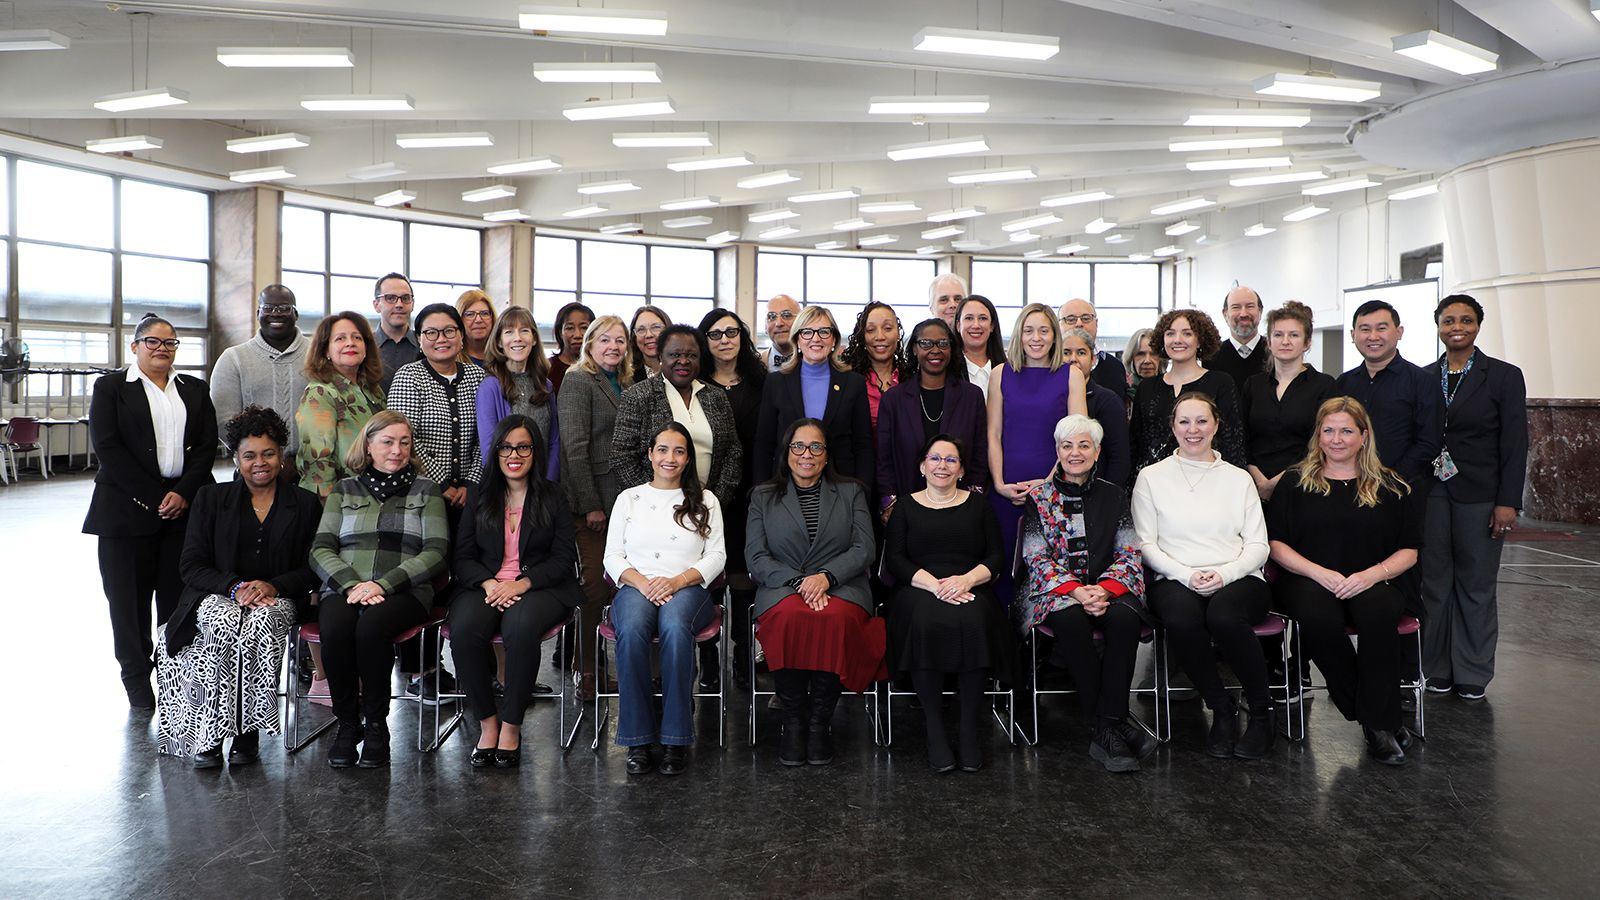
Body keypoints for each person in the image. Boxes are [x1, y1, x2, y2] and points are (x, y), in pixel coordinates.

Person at [156, 407, 321, 767]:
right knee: (224, 621)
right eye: (249, 455)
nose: (259, 463)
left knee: (260, 623)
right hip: (218, 593)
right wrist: (234, 587)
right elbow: (191, 565)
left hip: (278, 596)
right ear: (235, 458)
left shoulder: (305, 503)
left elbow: (313, 566)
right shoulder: (210, 499)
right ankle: (211, 736)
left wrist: (273, 586)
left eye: (268, 453)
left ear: (281, 455)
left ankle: (248, 733)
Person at [1268, 397, 1422, 765]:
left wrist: (1369, 576)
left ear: (1364, 436)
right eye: (1329, 430)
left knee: (1378, 614)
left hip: (1373, 579)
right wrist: (1319, 573)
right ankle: (1378, 722)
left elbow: (1410, 551)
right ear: (1318, 436)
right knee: (1318, 616)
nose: (1337, 439)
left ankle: (1374, 723)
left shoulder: (1392, 486)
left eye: (1347, 431)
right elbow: (1275, 544)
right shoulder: (1294, 482)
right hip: (1307, 578)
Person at [85, 313, 218, 709]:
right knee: (128, 603)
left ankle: (176, 679)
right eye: (153, 341)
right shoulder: (111, 388)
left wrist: (182, 493)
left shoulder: (194, 388)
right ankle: (138, 683)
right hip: (124, 512)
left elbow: (207, 447)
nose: (162, 348)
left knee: (179, 602)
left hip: (184, 510)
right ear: (135, 346)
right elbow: (108, 448)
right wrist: (154, 497)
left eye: (170, 342)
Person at [1132, 392, 1273, 760]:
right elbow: (1146, 545)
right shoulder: (1151, 477)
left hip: (1239, 577)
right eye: (1184, 422)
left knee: (1224, 616)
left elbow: (1259, 545)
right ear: (1172, 427)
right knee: (1181, 618)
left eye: (1201, 421)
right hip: (1175, 577)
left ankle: (1261, 714)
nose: (1193, 430)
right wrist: (1187, 575)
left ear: (1216, 426)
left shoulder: (1238, 478)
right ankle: (1221, 707)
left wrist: (1224, 574)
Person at [310, 410, 449, 769]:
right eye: (387, 442)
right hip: (345, 588)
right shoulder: (344, 490)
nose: (397, 450)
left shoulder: (426, 490)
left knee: (371, 628)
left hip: (405, 590)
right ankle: (346, 723)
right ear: (368, 446)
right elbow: (321, 548)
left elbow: (435, 552)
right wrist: (353, 585)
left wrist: (382, 585)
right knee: (337, 628)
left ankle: (375, 725)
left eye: (404, 442)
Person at [1014, 415, 1153, 772]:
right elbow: (1035, 555)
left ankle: (1106, 727)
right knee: (1070, 620)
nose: (1075, 453)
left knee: (1124, 619)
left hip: (1111, 587)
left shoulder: (1114, 494)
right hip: (1055, 589)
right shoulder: (1039, 498)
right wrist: (1077, 593)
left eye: (1083, 445)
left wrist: (1103, 591)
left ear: (1097, 451)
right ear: (1057, 451)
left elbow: (1129, 552)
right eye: (1067, 445)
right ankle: (1111, 725)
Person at [746, 419, 885, 765]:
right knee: (789, 618)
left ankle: (820, 723)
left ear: (826, 455)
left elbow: (864, 548)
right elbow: (756, 555)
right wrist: (799, 582)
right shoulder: (762, 496)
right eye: (798, 446)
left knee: (836, 618)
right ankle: (794, 722)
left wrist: (826, 577)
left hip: (843, 586)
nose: (806, 454)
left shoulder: (851, 491)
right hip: (783, 587)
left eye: (816, 447)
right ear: (787, 452)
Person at [449, 414, 583, 768]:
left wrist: (521, 583)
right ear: (496, 452)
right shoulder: (479, 495)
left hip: (540, 587)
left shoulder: (553, 496)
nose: (514, 454)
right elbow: (461, 557)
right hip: (486, 585)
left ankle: (511, 725)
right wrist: (491, 583)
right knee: (463, 631)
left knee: (520, 628)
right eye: (507, 447)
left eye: (523, 447)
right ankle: (487, 723)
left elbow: (563, 558)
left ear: (535, 452)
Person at [1420, 293, 1528, 702]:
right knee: (1434, 585)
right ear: (1438, 326)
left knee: (1476, 583)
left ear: (1478, 325)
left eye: (1465, 320)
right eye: (1449, 321)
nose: (1457, 327)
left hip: (1482, 493)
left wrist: (1508, 501)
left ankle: (1472, 671)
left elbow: (1515, 443)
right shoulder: (1427, 376)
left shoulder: (1502, 376)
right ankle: (1437, 667)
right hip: (1433, 491)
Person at [885, 434, 1014, 773]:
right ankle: (935, 731)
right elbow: (896, 560)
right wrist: (935, 585)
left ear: (961, 470)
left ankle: (969, 730)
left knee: (973, 620)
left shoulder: (978, 504)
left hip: (970, 584)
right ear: (922, 467)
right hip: (918, 587)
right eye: (935, 459)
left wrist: (965, 580)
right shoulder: (906, 506)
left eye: (951, 460)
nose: (942, 465)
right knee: (924, 621)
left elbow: (996, 555)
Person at [604, 423, 727, 776]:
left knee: (675, 627)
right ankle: (638, 738)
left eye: (678, 451)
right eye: (662, 450)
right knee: (630, 629)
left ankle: (675, 737)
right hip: (635, 586)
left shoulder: (706, 500)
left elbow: (716, 557)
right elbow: (612, 557)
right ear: (650, 454)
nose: (669, 458)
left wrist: (674, 581)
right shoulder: (629, 498)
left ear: (688, 459)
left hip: (689, 588)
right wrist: (644, 584)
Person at [557, 315, 633, 700]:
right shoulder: (577, 380)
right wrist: (590, 505)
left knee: (621, 586)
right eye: (605, 339)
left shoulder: (630, 382)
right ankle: (586, 670)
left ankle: (616, 669)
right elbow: (574, 449)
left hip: (629, 500)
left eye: (620, 340)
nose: (613, 347)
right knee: (594, 588)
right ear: (589, 343)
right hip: (595, 504)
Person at [699, 308, 768, 688]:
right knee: (706, 576)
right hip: (704, 496)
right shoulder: (692, 385)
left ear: (742, 337)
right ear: (704, 341)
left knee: (744, 577)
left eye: (731, 332)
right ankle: (708, 659)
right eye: (715, 334)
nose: (724, 339)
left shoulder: (762, 384)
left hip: (751, 494)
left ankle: (743, 655)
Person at [987, 303, 1075, 584]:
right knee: (1003, 562)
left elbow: (1076, 438)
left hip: (1055, 486)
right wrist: (999, 483)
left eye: (1043, 331)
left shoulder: (1070, 374)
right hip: (1007, 487)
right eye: (1028, 331)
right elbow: (993, 433)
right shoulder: (1001, 373)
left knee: (1049, 567)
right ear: (1019, 335)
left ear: (1054, 336)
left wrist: (1049, 483)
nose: (1036, 338)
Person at [611, 324, 743, 511]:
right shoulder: (638, 396)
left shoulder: (716, 396)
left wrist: (715, 501)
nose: (683, 361)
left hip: (708, 507)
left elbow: (733, 452)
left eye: (691, 355)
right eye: (675, 355)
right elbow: (622, 457)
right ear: (660, 357)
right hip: (653, 509)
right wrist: (657, 501)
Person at [876, 318, 988, 521]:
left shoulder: (972, 396)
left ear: (952, 349)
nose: (935, 350)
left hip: (961, 507)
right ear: (914, 349)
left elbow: (980, 453)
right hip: (907, 507)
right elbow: (884, 458)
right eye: (926, 343)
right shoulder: (893, 399)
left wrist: (975, 499)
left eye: (943, 343)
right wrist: (888, 501)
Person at [388, 302, 487, 525]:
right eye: (431, 332)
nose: (441, 339)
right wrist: (441, 484)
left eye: (449, 331)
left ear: (461, 336)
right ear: (419, 339)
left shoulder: (478, 377)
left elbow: (486, 437)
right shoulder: (409, 376)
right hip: (419, 492)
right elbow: (404, 439)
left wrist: (471, 482)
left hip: (471, 496)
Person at [753, 305, 873, 487]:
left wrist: (863, 492)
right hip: (785, 489)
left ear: (834, 339)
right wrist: (761, 496)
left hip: (842, 489)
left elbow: (863, 445)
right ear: (797, 340)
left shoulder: (853, 383)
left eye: (824, 331)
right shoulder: (775, 382)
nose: (816, 338)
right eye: (807, 332)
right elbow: (764, 445)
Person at [1128, 307, 1246, 484]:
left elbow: (1234, 443)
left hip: (1207, 482)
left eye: (1187, 333)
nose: (1177, 340)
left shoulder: (1220, 382)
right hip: (1155, 484)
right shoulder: (1147, 387)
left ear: (1200, 340)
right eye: (1170, 333)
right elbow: (1136, 444)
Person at [1333, 299, 1439, 486]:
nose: (1373, 336)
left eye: (1381, 328)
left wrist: (1390, 480)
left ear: (1399, 332)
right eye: (1365, 329)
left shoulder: (1422, 381)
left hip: (1403, 489)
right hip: (1349, 485)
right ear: (1353, 335)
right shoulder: (1344, 383)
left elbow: (1429, 442)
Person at [1241, 301, 1335, 503]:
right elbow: (1242, 436)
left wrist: (1279, 481)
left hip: (1305, 485)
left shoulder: (1324, 385)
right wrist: (1258, 478)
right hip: (1253, 487)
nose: (1285, 341)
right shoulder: (1253, 385)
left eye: (1294, 335)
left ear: (1307, 342)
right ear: (1268, 341)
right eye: (1278, 335)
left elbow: (1320, 442)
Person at [209, 284, 309, 469]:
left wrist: (299, 462)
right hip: (254, 470)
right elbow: (224, 422)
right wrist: (263, 460)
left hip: (311, 470)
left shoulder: (317, 355)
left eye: (284, 308)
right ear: (257, 314)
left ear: (296, 314)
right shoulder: (233, 359)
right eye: (268, 308)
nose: (276, 313)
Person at [296, 312, 386, 500]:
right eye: (340, 338)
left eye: (357, 338)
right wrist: (331, 507)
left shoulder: (373, 390)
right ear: (326, 351)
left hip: (376, 491)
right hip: (341, 499)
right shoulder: (320, 393)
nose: (350, 343)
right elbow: (317, 463)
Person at [476, 305, 559, 480]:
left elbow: (554, 442)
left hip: (543, 486)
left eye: (524, 331)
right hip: (506, 488)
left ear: (534, 339)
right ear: (499, 342)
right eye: (509, 332)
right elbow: (489, 448)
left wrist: (548, 484)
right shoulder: (490, 387)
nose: (518, 338)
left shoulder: (546, 386)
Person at [1061, 327, 1132, 489]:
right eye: (1066, 353)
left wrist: (1107, 495)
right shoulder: (1051, 398)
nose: (1073, 359)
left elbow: (1119, 457)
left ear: (1093, 359)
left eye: (1081, 353)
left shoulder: (1107, 400)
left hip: (1096, 491)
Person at [840, 301, 911, 435]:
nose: (880, 337)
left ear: (898, 334)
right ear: (862, 336)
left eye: (888, 328)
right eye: (871, 330)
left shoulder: (911, 378)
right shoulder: (848, 380)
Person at [1058, 297, 1129, 397]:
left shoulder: (1115, 367)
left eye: (1086, 318)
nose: (1079, 324)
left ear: (1096, 323)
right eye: (1071, 319)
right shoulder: (1046, 365)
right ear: (1058, 325)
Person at [1206, 286, 1268, 389]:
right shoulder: (1210, 356)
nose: (1243, 314)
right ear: (1225, 314)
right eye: (1236, 307)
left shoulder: (1275, 353)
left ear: (1260, 312)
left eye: (1250, 306)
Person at [372, 272, 422, 393]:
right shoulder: (364, 346)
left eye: (405, 298)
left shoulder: (426, 344)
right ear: (376, 305)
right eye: (390, 298)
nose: (399, 304)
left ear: (412, 304)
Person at [954, 295, 1005, 402]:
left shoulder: (1007, 370)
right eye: (969, 318)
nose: (976, 325)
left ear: (992, 326)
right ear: (958, 325)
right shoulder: (948, 371)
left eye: (982, 318)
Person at [548, 301, 594, 394]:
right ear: (560, 332)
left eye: (584, 328)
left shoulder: (598, 369)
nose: (577, 335)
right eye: (569, 328)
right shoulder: (547, 368)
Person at [456, 289, 497, 366]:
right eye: (470, 314)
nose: (478, 320)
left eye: (484, 313)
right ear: (459, 319)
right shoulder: (450, 361)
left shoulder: (504, 357)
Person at [629, 306, 671, 380]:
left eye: (656, 327)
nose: (649, 335)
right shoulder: (627, 377)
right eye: (641, 329)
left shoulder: (685, 369)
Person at [761, 294, 801, 372]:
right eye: (771, 317)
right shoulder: (753, 364)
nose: (779, 323)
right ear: (765, 326)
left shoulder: (815, 363)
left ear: (801, 321)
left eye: (786, 315)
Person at [1122, 326, 1162, 399]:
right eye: (1140, 354)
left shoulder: (1171, 390)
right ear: (1131, 357)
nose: (1147, 361)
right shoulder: (1121, 393)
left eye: (1153, 354)